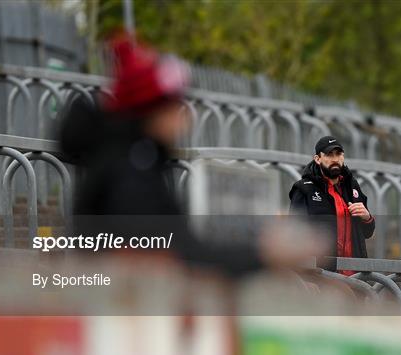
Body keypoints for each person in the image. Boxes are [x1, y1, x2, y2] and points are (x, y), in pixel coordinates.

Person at [59, 34, 325, 276]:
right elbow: (179, 259)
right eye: (176, 105)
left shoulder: (135, 160)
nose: (186, 116)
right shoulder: (130, 174)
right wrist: (265, 253)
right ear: (151, 112)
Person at [289, 136, 375, 275]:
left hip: (356, 276)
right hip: (322, 277)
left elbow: (368, 232)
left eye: (338, 154)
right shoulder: (304, 189)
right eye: (329, 154)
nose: (335, 159)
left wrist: (367, 218)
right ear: (318, 159)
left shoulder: (352, 186)